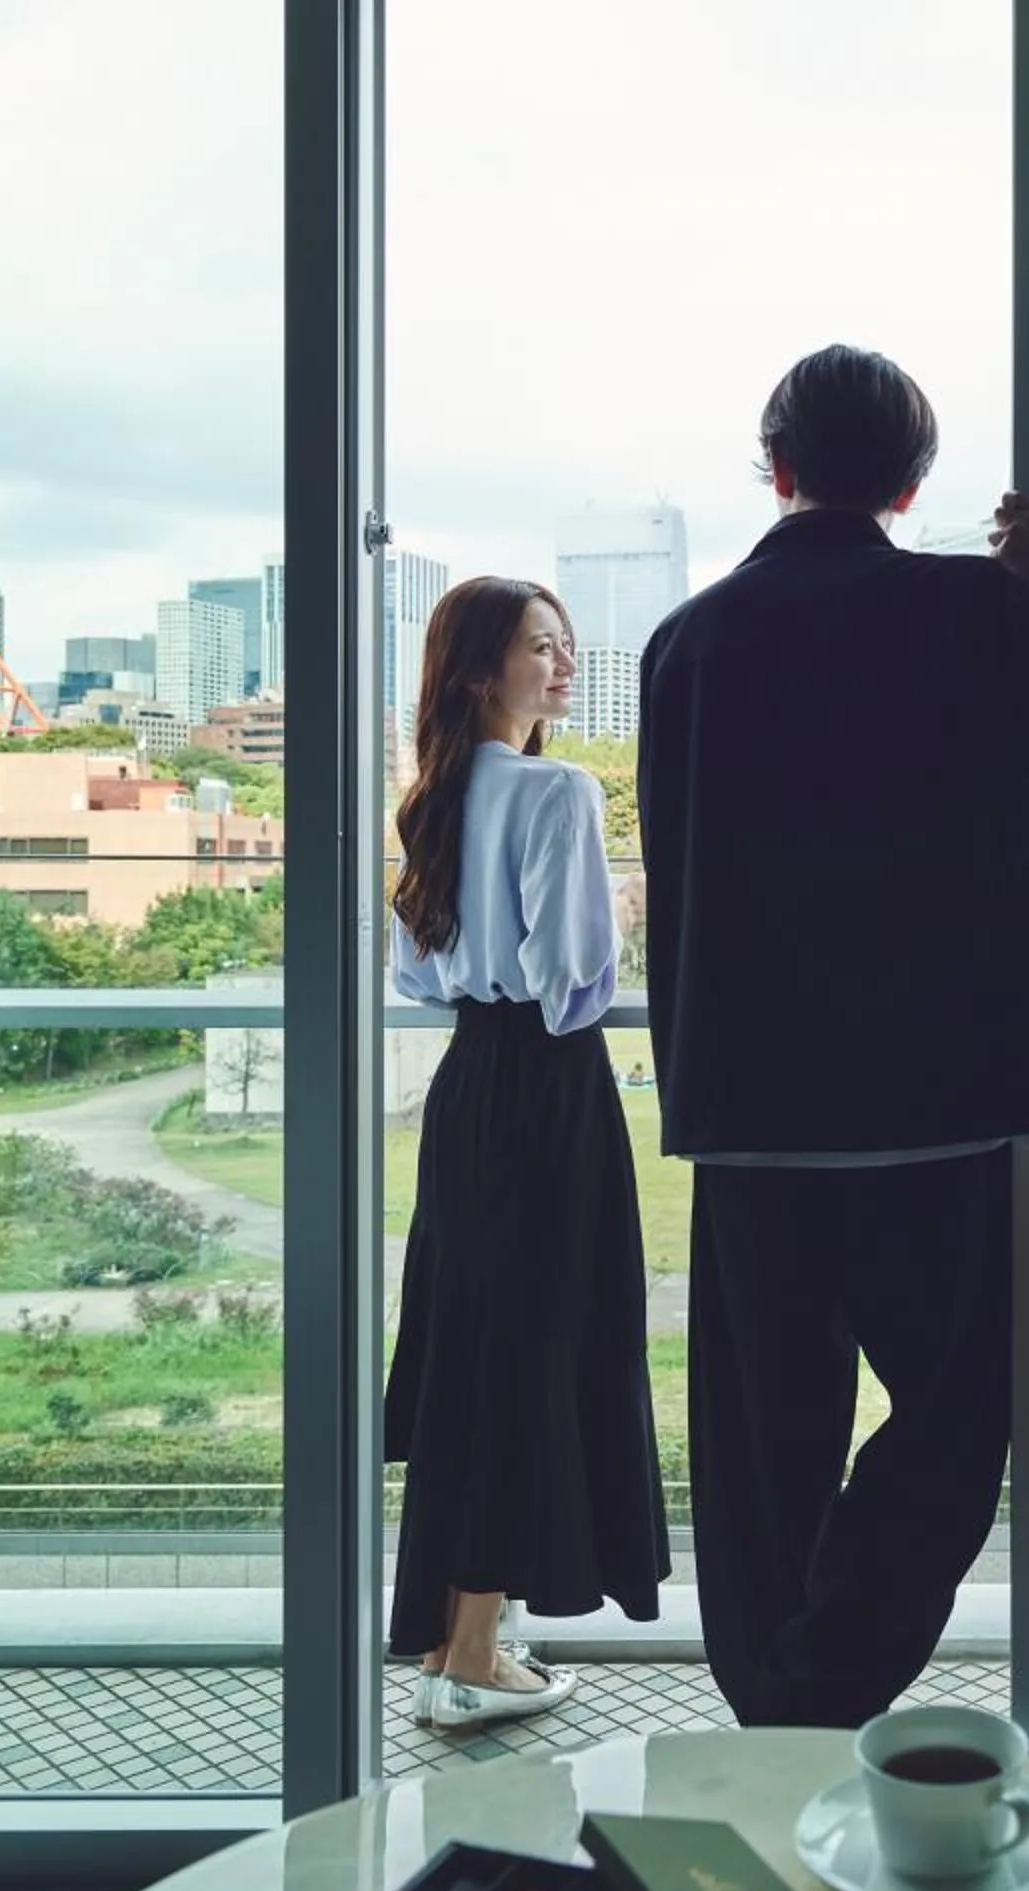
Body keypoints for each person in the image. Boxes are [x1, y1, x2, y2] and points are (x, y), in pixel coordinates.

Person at [639, 344, 1029, 1729]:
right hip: (938, 1103)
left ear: (775, 467)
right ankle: (838, 1668)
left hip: (759, 1113)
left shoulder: (687, 642)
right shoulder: (968, 611)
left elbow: (681, 875)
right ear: (912, 478)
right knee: (963, 1415)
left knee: (760, 1451)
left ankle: (779, 1703)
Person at [386, 575, 670, 1730]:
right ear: (477, 671)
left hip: (469, 1091)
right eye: (539, 649)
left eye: (564, 645)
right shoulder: (560, 792)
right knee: (538, 1349)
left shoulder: (433, 799)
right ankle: (469, 1654)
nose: (562, 666)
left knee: (476, 1349)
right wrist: (618, 925)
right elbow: (569, 990)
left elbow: (415, 973)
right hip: (551, 1094)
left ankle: (466, 1631)